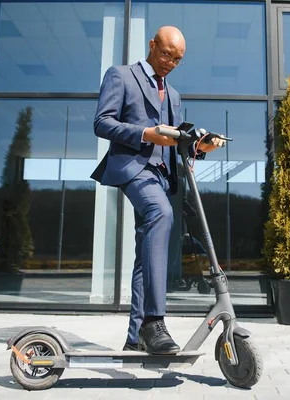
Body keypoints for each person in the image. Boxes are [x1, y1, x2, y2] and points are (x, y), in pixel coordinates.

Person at [91, 26, 225, 355]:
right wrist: (146, 134)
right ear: (152, 45)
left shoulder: (175, 96)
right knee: (160, 214)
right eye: (166, 54)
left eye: (177, 60)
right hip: (133, 168)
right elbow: (102, 122)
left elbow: (178, 144)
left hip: (163, 177)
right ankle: (154, 322)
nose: (169, 63)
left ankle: (136, 337)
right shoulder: (121, 76)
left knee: (146, 254)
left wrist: (202, 147)